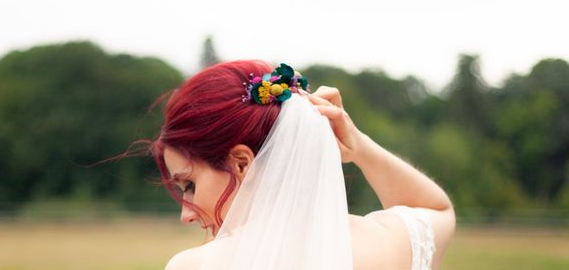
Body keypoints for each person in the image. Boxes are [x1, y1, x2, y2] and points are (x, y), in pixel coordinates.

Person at [144, 60, 455, 270]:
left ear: (241, 163)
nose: (185, 213)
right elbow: (438, 209)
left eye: (189, 185)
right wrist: (360, 147)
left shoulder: (196, 266)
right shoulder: (384, 246)